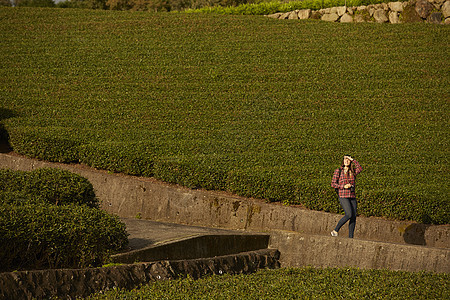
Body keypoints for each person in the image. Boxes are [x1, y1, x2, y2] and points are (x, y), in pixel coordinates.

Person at [330, 155, 362, 238]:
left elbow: (360, 168)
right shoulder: (338, 171)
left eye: (348, 160)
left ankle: (351, 237)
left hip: (352, 195)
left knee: (353, 217)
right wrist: (343, 186)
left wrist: (353, 159)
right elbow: (333, 184)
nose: (346, 161)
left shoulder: (353, 171)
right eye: (345, 159)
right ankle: (335, 230)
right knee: (349, 214)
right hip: (343, 195)